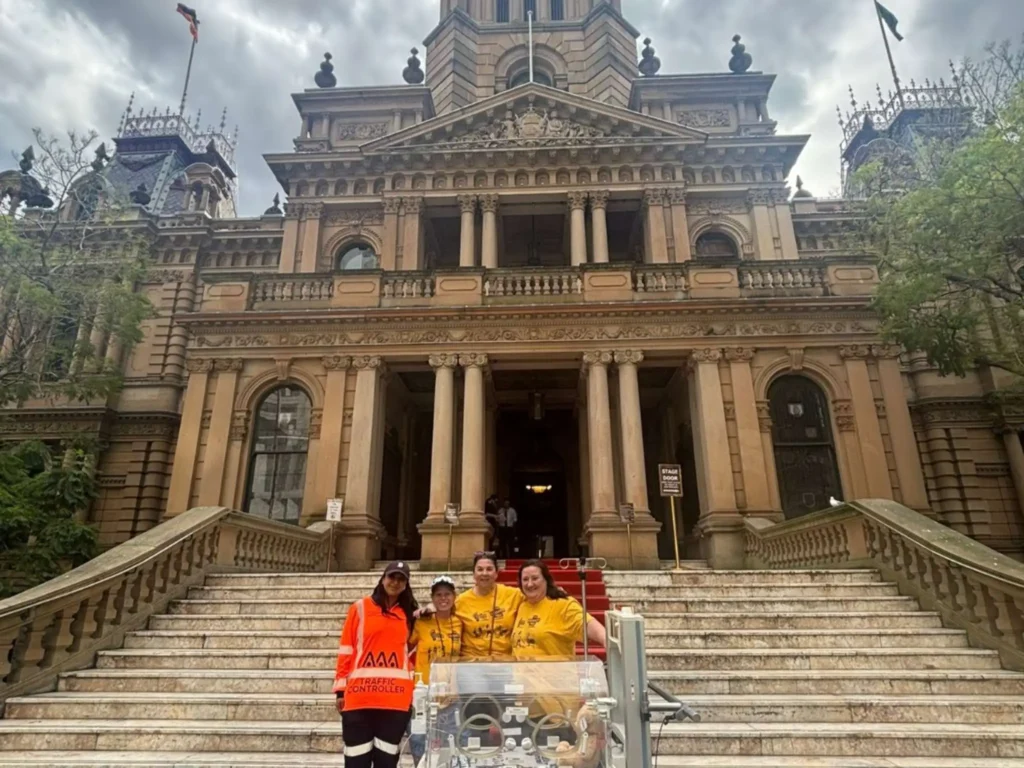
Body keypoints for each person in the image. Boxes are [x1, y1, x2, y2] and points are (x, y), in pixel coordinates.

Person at [333, 561, 418, 768]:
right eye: (392, 577)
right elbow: (347, 650)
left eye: (401, 579)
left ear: (406, 585)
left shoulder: (410, 614)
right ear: (382, 579)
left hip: (395, 699)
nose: (395, 583)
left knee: (386, 762)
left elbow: (415, 655)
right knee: (355, 761)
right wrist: (340, 691)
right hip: (360, 698)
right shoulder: (360, 608)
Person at [407, 575, 462, 765]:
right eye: (438, 595)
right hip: (423, 695)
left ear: (454, 597)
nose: (443, 598)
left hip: (451, 695)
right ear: (432, 598)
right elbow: (405, 644)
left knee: (450, 748)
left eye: (447, 594)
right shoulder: (422, 622)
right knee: (420, 747)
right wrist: (415, 614)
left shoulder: (460, 623)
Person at [512, 559, 605, 660]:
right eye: (525, 579)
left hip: (555, 674)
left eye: (535, 578)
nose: (529, 584)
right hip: (522, 675)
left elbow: (588, 625)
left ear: (546, 580)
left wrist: (607, 641)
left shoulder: (563, 605)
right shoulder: (522, 605)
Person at [455, 551, 523, 660]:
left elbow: (535, 596)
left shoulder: (514, 595)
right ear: (473, 574)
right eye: (480, 569)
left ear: (496, 573)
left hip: (505, 662)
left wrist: (553, 591)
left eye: (489, 569)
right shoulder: (461, 601)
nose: (484, 573)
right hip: (471, 663)